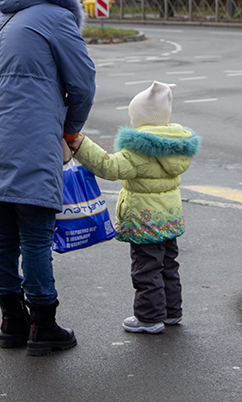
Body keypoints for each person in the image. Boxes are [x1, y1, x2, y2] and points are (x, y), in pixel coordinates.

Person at [0, 0, 96, 356]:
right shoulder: (57, 18)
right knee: (36, 237)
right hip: (31, 142)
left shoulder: (0, 23)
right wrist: (70, 131)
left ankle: (12, 322)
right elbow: (84, 82)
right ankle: (44, 324)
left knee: (2, 235)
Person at [68, 81, 200, 334]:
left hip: (144, 219)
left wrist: (81, 145)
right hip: (170, 218)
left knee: (146, 268)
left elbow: (109, 166)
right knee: (168, 265)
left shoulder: (139, 150)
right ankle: (172, 312)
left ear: (140, 119)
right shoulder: (177, 146)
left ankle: (149, 318)